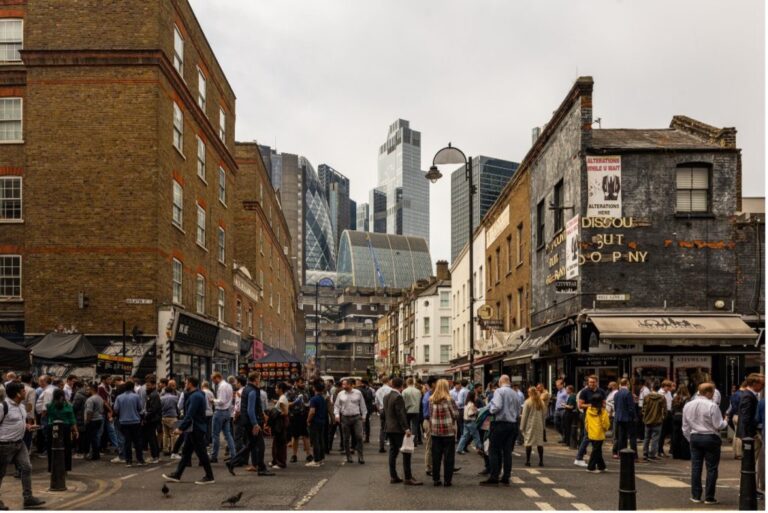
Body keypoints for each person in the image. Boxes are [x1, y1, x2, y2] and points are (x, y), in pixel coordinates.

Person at [0, 382, 46, 510]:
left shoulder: (21, 406)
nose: (25, 393)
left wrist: (27, 426)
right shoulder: (3, 407)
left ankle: (28, 498)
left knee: (26, 468)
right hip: (4, 446)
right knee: (1, 473)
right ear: (17, 393)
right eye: (23, 391)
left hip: (20, 444)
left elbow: (18, 422)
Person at [162, 377, 215, 485]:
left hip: (196, 428)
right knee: (186, 452)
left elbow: (190, 414)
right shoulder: (198, 394)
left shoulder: (195, 396)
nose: (185, 384)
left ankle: (209, 476)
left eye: (186, 383)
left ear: (190, 384)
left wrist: (181, 428)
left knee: (201, 453)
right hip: (194, 428)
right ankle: (177, 475)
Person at [683, 383, 727, 505]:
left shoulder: (688, 405)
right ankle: (709, 497)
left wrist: (690, 438)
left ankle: (696, 496)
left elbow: (685, 426)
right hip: (710, 437)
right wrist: (726, 421)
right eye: (712, 392)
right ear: (708, 392)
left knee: (696, 468)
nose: (713, 395)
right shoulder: (712, 405)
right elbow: (718, 425)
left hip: (695, 436)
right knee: (712, 468)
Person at [480, 375, 522, 486]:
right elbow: (518, 412)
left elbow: (496, 406)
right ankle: (506, 477)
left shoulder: (499, 391)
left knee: (493, 450)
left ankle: (494, 476)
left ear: (500, 382)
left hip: (500, 424)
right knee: (507, 452)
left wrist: (490, 409)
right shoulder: (515, 393)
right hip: (512, 424)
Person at [384, 377, 422, 485]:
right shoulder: (398, 397)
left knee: (393, 452)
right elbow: (401, 414)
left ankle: (393, 476)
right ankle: (408, 477)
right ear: (402, 386)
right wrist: (406, 428)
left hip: (389, 428)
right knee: (406, 452)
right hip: (398, 429)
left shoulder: (386, 396)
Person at [429, 379, 458, 487]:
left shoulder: (431, 399)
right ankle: (447, 480)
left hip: (435, 432)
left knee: (436, 457)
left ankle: (436, 479)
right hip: (448, 432)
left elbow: (431, 415)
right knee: (449, 457)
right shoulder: (449, 400)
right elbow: (455, 414)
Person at [574, 375, 605, 467]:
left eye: (593, 382)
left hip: (598, 416)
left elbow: (603, 404)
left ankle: (600, 463)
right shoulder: (584, 392)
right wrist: (592, 405)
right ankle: (579, 458)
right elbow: (580, 405)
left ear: (597, 382)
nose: (591, 384)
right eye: (590, 382)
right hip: (587, 416)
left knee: (597, 439)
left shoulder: (601, 391)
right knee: (587, 436)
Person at [112, 380, 145, 467]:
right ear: (132, 387)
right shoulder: (136, 396)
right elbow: (140, 408)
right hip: (135, 421)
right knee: (137, 442)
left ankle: (128, 461)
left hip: (123, 422)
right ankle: (140, 460)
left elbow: (116, 409)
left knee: (127, 442)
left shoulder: (119, 397)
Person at [334, 378, 367, 464]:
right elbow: (336, 406)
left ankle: (361, 456)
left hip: (356, 417)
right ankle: (349, 456)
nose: (343, 386)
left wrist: (364, 416)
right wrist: (337, 415)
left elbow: (362, 405)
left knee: (359, 437)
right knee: (346, 438)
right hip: (345, 418)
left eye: (345, 384)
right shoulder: (340, 394)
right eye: (342, 385)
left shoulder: (358, 393)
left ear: (350, 385)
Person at [45, 388, 78, 473]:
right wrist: (75, 431)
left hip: (52, 428)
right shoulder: (68, 406)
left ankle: (52, 468)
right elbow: (72, 419)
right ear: (63, 396)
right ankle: (65, 468)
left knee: (51, 448)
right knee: (66, 448)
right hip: (65, 429)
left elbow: (45, 415)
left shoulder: (49, 406)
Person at [209, 372, 236, 464]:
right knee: (228, 435)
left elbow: (221, 401)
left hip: (220, 412)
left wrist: (213, 400)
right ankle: (233, 455)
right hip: (227, 412)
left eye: (213, 379)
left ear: (217, 378)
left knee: (215, 435)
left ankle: (214, 456)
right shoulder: (229, 385)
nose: (213, 381)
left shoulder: (221, 387)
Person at [520, 386, 546, 467]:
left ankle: (528, 461)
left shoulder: (527, 402)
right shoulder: (541, 402)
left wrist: (522, 427)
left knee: (528, 442)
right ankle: (541, 461)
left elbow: (524, 416)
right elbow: (544, 415)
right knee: (539, 443)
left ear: (529, 393)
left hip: (530, 424)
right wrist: (543, 425)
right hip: (539, 425)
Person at [612, 378, 638, 460]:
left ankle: (621, 453)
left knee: (621, 436)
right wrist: (634, 417)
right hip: (628, 418)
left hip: (619, 418)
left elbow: (616, 406)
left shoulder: (616, 394)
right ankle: (634, 455)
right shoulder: (628, 393)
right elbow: (631, 407)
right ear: (627, 384)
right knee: (632, 437)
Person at [288, 378, 312, 463]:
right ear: (296, 382)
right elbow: (287, 404)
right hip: (295, 416)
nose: (303, 384)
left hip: (304, 415)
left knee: (306, 435)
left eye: (304, 383)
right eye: (301, 383)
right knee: (295, 436)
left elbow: (309, 401)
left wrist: (308, 405)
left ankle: (309, 455)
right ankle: (294, 455)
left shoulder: (306, 391)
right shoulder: (291, 392)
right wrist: (295, 402)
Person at [584, 394, 610, 473]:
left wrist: (588, 430)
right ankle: (590, 467)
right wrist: (605, 429)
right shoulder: (603, 411)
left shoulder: (589, 410)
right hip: (599, 433)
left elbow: (586, 422)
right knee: (595, 451)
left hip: (591, 433)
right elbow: (605, 423)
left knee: (597, 450)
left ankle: (601, 466)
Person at [306, 380, 328, 467]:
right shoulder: (323, 398)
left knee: (315, 441)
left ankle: (316, 460)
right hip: (322, 421)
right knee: (321, 440)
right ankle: (321, 458)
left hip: (315, 422)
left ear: (314, 388)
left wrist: (308, 420)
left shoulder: (314, 399)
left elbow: (312, 411)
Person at [641, 385, 666, 462]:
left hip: (647, 420)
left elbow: (643, 408)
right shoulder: (662, 398)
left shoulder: (646, 397)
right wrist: (663, 417)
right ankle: (652, 454)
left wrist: (645, 416)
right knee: (655, 439)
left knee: (646, 438)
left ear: (652, 388)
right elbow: (665, 410)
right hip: (657, 420)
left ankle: (645, 453)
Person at [269, 382, 290, 469]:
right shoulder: (282, 398)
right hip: (280, 423)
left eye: (276, 388)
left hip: (280, 423)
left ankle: (281, 462)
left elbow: (285, 412)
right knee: (277, 442)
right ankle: (276, 461)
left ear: (281, 389)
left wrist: (276, 413)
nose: (275, 389)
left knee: (280, 443)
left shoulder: (282, 399)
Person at [142, 376, 162, 463]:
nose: (147, 387)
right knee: (152, 437)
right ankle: (155, 455)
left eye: (148, 385)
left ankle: (155, 456)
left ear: (154, 385)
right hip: (152, 419)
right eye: (146, 385)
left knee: (152, 438)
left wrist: (145, 416)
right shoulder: (152, 394)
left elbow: (153, 409)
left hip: (152, 419)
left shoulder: (153, 395)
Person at [456, 390, 482, 454]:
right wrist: (476, 412)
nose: (476, 397)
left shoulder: (466, 403)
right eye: (475, 396)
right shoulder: (472, 404)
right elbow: (470, 414)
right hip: (471, 422)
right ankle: (480, 448)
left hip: (465, 421)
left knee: (464, 436)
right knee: (476, 435)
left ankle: (459, 449)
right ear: (472, 396)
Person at [83, 383, 104, 461]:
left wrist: (87, 421)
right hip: (99, 419)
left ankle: (94, 455)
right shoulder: (100, 398)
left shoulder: (90, 400)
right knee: (96, 437)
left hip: (92, 420)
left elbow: (89, 412)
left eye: (88, 389)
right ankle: (96, 454)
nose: (86, 391)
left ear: (92, 389)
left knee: (92, 438)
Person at [670, 385, 691, 460]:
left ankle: (676, 454)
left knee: (675, 436)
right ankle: (684, 453)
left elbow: (672, 408)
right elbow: (688, 409)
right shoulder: (688, 398)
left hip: (675, 417)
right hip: (683, 418)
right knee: (683, 436)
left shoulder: (675, 398)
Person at [727, 381, 746, 459]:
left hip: (735, 415)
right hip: (740, 416)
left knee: (736, 434)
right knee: (740, 435)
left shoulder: (735, 394)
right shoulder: (743, 395)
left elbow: (732, 407)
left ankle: (735, 452)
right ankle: (739, 453)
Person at [160, 381, 179, 456]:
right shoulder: (175, 398)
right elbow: (177, 407)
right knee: (174, 434)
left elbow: (160, 407)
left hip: (164, 417)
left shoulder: (161, 398)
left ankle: (165, 449)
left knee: (165, 434)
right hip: (172, 417)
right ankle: (173, 449)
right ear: (172, 391)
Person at [374, 376, 393, 453]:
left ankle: (381, 446)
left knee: (382, 428)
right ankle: (392, 444)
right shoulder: (391, 390)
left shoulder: (378, 391)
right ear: (388, 381)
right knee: (391, 427)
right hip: (390, 410)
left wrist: (379, 410)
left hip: (382, 410)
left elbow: (376, 402)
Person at [402, 378, 422, 446]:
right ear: (413, 382)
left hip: (407, 410)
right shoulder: (418, 391)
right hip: (416, 410)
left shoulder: (404, 391)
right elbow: (419, 400)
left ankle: (408, 441)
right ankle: (414, 442)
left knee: (407, 426)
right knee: (415, 426)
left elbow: (403, 401)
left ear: (407, 383)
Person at [657, 380, 674, 457]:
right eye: (669, 386)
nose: (670, 388)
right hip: (663, 414)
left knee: (668, 433)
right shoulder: (660, 393)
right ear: (665, 386)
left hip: (669, 413)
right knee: (662, 433)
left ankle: (665, 450)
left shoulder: (669, 393)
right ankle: (659, 450)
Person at [421, 377, 434, 476]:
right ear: (433, 384)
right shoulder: (429, 395)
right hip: (429, 421)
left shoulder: (427, 394)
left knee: (433, 445)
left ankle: (431, 466)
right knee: (430, 445)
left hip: (428, 420)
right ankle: (428, 467)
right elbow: (428, 412)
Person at [554, 379, 568, 443]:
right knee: (556, 423)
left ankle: (565, 438)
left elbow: (568, 400)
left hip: (563, 410)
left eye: (558, 385)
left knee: (564, 424)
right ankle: (563, 435)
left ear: (562, 385)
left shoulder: (565, 392)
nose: (557, 386)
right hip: (557, 410)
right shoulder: (558, 392)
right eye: (556, 385)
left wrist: (565, 406)